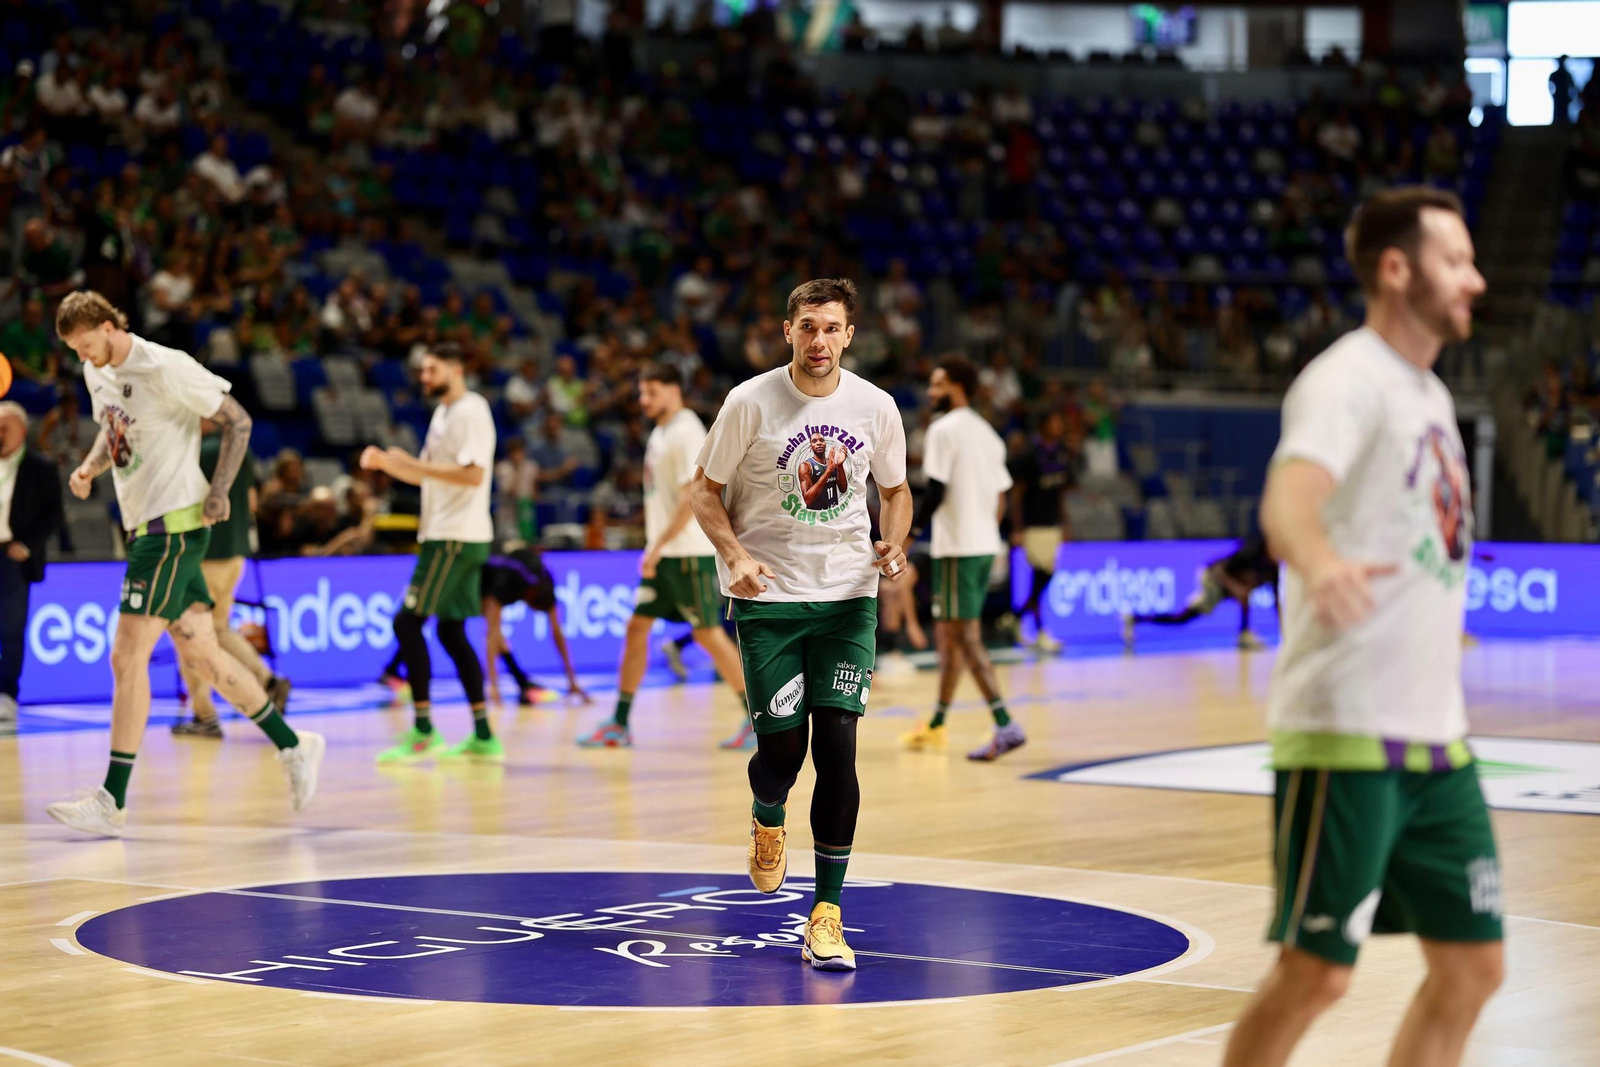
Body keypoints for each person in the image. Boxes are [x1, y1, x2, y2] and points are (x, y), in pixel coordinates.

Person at [1222, 187, 1502, 1066]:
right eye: (1455, 261)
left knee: (1474, 967)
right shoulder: (1346, 379)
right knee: (1316, 973)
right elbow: (1288, 500)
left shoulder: (1430, 393)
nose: (1476, 280)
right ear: (1396, 269)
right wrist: (1319, 559)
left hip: (1438, 739)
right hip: (1346, 732)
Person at [689, 278, 911, 972]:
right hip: (771, 600)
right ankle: (767, 810)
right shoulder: (748, 402)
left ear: (850, 334)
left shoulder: (876, 406)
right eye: (808, 326)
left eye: (831, 327)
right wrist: (734, 555)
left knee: (838, 746)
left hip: (847, 598)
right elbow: (703, 490)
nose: (819, 340)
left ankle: (826, 914)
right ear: (787, 330)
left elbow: (896, 491)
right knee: (783, 755)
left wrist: (895, 540)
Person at [46, 291, 323, 837]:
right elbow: (114, 429)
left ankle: (112, 800)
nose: (82, 357)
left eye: (86, 344)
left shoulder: (165, 365)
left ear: (108, 326)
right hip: (144, 528)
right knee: (203, 655)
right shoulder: (97, 373)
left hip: (171, 529)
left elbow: (238, 421)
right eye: (74, 350)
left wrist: (219, 491)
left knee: (127, 656)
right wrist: (90, 468)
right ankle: (294, 745)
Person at [579, 362, 752, 750]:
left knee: (708, 634)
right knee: (637, 628)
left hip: (685, 554)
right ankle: (619, 723)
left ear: (674, 390)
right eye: (641, 392)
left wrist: (656, 546)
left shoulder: (687, 430)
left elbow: (692, 497)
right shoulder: (661, 431)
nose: (643, 400)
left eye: (651, 392)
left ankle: (758, 719)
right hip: (666, 554)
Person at [362, 343, 500, 763]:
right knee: (450, 632)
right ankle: (483, 734)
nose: (424, 377)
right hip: (454, 535)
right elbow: (428, 476)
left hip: (454, 537)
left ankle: (423, 731)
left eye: (431, 369)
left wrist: (413, 465)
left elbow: (473, 475)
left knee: (407, 623)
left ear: (456, 369)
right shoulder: (443, 413)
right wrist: (387, 463)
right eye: (422, 371)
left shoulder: (471, 411)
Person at [899, 358, 1025, 760]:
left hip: (957, 548)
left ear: (957, 387)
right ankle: (937, 724)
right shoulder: (989, 433)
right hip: (984, 545)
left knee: (966, 636)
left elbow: (935, 492)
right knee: (951, 637)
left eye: (937, 385)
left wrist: (908, 536)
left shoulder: (942, 429)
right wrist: (984, 531)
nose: (931, 392)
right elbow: (1001, 497)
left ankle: (1005, 724)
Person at [171, 420, 293, 737]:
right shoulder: (242, 449)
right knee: (219, 629)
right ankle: (267, 680)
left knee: (189, 634)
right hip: (236, 555)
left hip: (206, 556)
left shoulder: (200, 450)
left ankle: (204, 715)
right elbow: (252, 501)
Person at [0, 402, 63, 725]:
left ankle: (6, 695)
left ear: (22, 431)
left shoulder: (40, 467)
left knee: (11, 630)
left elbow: (54, 514)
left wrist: (27, 545)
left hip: (13, 557)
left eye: (5, 428)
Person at [1122, 535, 1278, 651]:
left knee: (1244, 593)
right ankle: (1134, 618)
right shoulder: (1251, 552)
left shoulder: (1274, 566)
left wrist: (1286, 629)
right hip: (1212, 578)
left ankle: (1244, 633)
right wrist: (1235, 587)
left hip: (1229, 586)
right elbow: (1218, 570)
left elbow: (1277, 600)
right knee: (1181, 618)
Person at [1007, 410, 1072, 654]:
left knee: (1044, 577)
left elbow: (1061, 493)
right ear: (1043, 425)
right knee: (1040, 576)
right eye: (1054, 422)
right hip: (1033, 525)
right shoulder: (1030, 455)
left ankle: (1016, 618)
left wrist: (1065, 522)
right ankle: (1041, 631)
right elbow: (1017, 494)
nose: (1058, 427)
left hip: (1052, 524)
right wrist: (1017, 527)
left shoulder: (1061, 455)